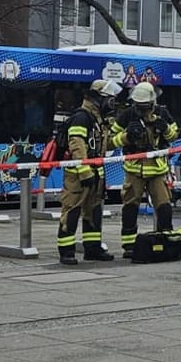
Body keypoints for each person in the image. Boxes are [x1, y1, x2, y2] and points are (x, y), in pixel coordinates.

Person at [56, 79, 116, 265]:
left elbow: (106, 144)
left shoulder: (98, 119)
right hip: (78, 175)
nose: (111, 103)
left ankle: (92, 248)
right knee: (72, 210)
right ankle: (66, 251)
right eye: (108, 99)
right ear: (97, 99)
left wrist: (127, 137)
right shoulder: (82, 117)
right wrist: (84, 171)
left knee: (94, 212)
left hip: (96, 173)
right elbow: (77, 144)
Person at [116, 81, 178, 256]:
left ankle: (165, 239)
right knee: (130, 206)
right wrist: (127, 136)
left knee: (164, 205)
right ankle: (128, 245)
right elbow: (111, 139)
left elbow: (174, 135)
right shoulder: (127, 115)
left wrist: (164, 128)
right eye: (139, 106)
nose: (143, 110)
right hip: (134, 169)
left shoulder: (162, 113)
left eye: (146, 106)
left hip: (157, 169)